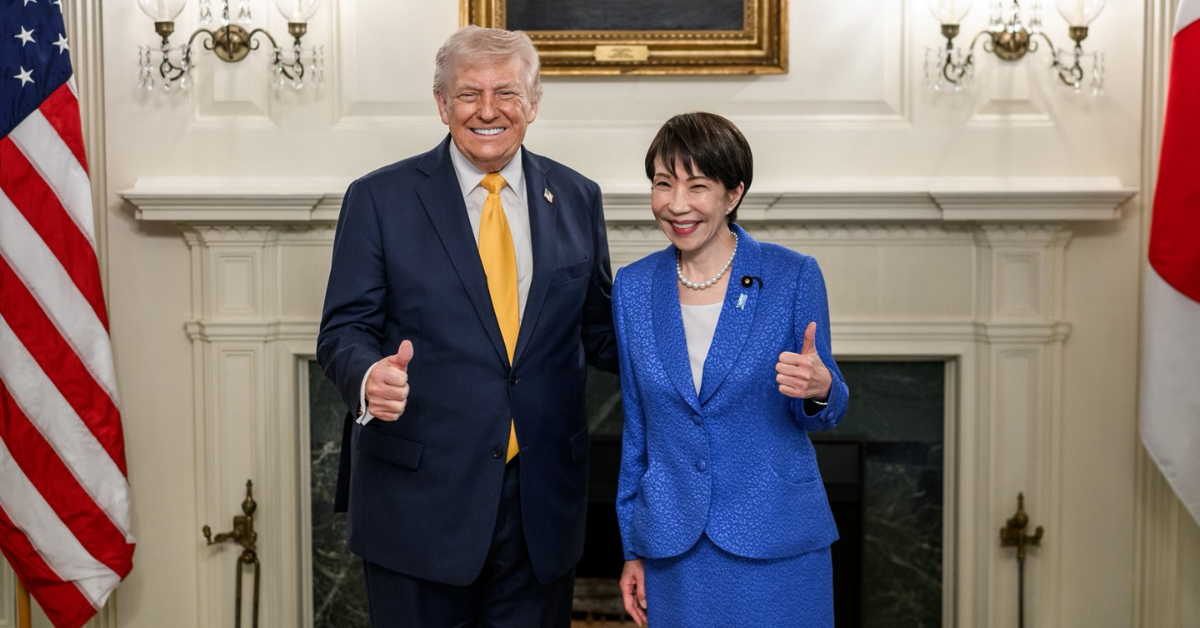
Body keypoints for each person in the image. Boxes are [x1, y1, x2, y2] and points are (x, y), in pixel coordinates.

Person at [317, 25, 617, 628]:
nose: (487, 110)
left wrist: (707, 335)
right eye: (468, 94)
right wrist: (369, 376)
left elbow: (601, 332)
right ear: (441, 103)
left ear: (533, 102)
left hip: (541, 509)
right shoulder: (379, 198)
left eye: (506, 93)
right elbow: (343, 329)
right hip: (417, 507)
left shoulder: (577, 196)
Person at [613, 112, 848, 627]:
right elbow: (638, 430)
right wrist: (632, 546)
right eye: (663, 184)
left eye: (697, 186)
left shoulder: (791, 276)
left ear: (733, 193)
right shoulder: (632, 288)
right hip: (674, 550)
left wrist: (820, 388)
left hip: (777, 542)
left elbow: (822, 406)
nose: (677, 204)